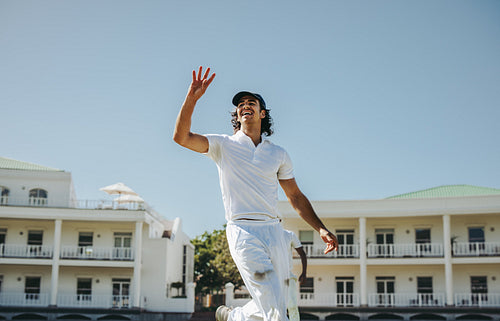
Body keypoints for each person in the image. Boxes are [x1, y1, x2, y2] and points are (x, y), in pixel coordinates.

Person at [173, 66, 338, 321]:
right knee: (274, 311)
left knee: (274, 307)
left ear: (262, 113)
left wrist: (321, 228)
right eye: (240, 104)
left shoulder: (278, 154)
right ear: (237, 115)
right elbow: (181, 137)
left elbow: (295, 197)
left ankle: (234, 316)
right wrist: (191, 99)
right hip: (243, 232)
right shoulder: (223, 145)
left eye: (251, 102)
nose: (244, 105)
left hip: (274, 232)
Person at [283, 229, 307, 321]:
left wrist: (304, 273)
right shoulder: (267, 234)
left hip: (287, 275)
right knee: (274, 306)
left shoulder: (289, 235)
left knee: (292, 305)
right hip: (272, 275)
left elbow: (302, 253)